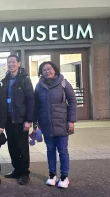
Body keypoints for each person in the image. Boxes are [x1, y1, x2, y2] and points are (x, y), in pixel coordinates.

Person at [33, 61, 77, 189]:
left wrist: (71, 120)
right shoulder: (39, 86)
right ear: (41, 72)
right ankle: (52, 175)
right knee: (50, 150)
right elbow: (36, 105)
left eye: (49, 68)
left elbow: (73, 101)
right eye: (44, 69)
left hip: (62, 123)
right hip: (46, 124)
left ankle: (64, 177)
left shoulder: (63, 83)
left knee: (63, 151)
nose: (47, 71)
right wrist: (35, 123)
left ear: (55, 70)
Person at [0, 55, 35, 185]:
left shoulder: (24, 80)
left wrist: (28, 120)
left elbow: (31, 100)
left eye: (13, 62)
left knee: (22, 147)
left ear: (18, 64)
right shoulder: (5, 80)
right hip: (9, 119)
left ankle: (25, 173)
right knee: (12, 146)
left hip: (21, 119)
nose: (11, 64)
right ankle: (17, 169)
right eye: (9, 62)